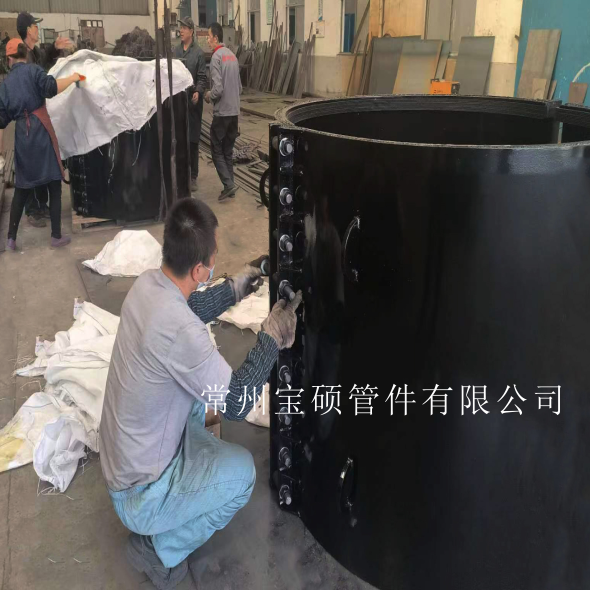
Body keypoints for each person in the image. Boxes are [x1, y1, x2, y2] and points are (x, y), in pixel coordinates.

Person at [100, 197, 301, 589]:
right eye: (213, 258)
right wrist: (271, 337)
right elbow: (238, 402)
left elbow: (191, 305)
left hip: (125, 457)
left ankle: (180, 486)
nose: (215, 262)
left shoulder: (147, 285)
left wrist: (240, 284)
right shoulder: (181, 334)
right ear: (198, 269)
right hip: (139, 493)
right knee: (241, 474)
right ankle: (158, 551)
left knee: (196, 387)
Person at [0, 39, 81, 251]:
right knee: (54, 183)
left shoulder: (5, 85)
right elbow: (52, 88)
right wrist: (73, 78)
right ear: (24, 54)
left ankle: (11, 239)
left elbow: (1, 120)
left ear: (9, 59)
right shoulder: (34, 71)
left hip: (22, 136)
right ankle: (56, 236)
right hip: (41, 131)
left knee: (22, 188)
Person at [17, 12, 73, 226]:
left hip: (39, 115)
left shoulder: (34, 52)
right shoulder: (23, 56)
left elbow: (43, 64)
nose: (37, 29)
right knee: (31, 163)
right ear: (28, 30)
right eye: (35, 26)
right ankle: (32, 210)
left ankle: (41, 204)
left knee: (41, 161)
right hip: (29, 118)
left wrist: (54, 48)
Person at [204, 22, 241, 202]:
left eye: (209, 37)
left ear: (216, 38)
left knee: (216, 150)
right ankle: (230, 186)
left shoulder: (216, 58)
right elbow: (239, 88)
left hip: (222, 113)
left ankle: (228, 184)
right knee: (227, 150)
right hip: (234, 112)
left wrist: (208, 95)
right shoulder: (232, 56)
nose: (207, 40)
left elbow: (217, 89)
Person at [174, 17, 207, 194]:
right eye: (181, 28)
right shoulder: (176, 51)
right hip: (179, 102)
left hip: (193, 103)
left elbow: (202, 77)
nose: (181, 31)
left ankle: (193, 176)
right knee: (180, 140)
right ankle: (182, 174)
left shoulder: (198, 53)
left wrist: (198, 92)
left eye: (185, 28)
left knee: (193, 141)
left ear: (191, 31)